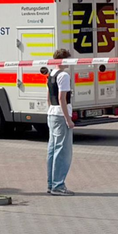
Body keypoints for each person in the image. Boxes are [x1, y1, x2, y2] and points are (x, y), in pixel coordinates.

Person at [46, 49, 75, 195]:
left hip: (52, 114)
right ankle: (58, 185)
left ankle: (51, 184)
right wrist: (68, 119)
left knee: (52, 150)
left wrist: (51, 109)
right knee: (62, 152)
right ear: (63, 60)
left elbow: (48, 97)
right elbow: (62, 98)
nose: (70, 61)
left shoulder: (51, 74)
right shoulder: (64, 75)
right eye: (69, 59)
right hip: (60, 115)